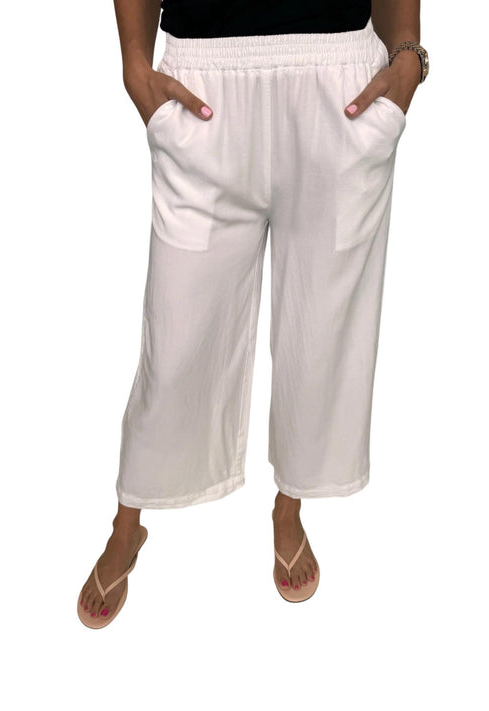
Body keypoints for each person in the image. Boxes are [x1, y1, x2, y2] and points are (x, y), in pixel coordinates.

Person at [78, 0, 429, 626]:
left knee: (323, 327)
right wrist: (134, 62)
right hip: (204, 84)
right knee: (177, 335)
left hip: (338, 81)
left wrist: (407, 50)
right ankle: (128, 520)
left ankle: (289, 506)